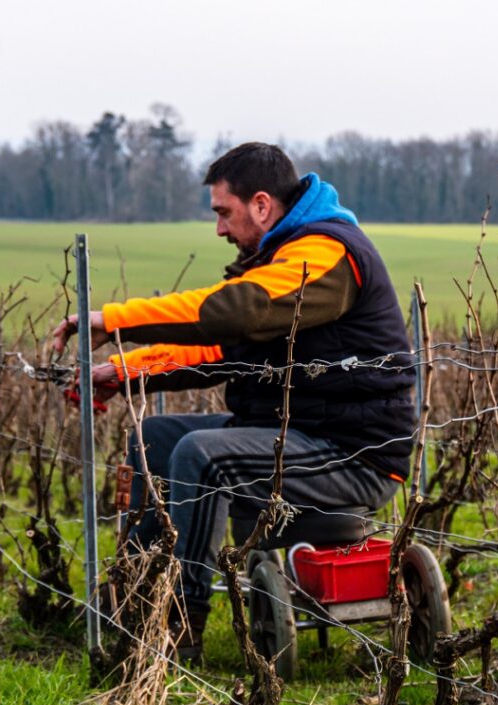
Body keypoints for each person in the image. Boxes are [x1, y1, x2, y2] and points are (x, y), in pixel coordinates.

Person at [52, 142, 415, 659]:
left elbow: (233, 313)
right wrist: (125, 371)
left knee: (203, 454)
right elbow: (221, 349)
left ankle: (180, 626)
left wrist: (115, 320)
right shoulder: (278, 258)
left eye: (224, 212)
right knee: (154, 438)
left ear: (262, 205)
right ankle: (136, 602)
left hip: (353, 454)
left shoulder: (324, 253)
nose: (220, 229)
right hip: (295, 433)